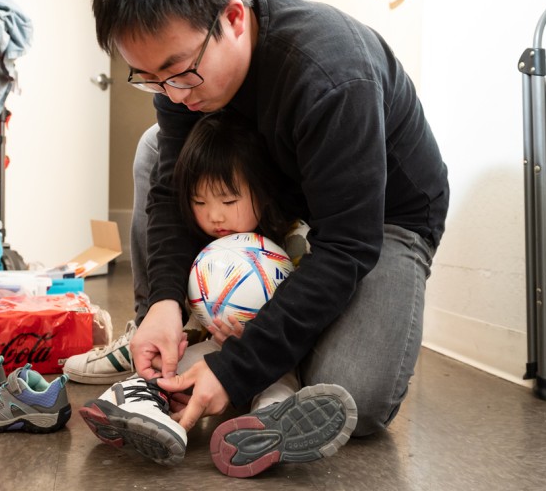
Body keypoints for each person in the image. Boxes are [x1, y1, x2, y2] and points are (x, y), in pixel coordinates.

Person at [79, 0, 449, 478]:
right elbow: (170, 190)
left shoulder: (331, 73)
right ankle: (163, 342)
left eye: (179, 71)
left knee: (351, 397)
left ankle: (244, 358)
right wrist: (164, 298)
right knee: (154, 150)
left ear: (233, 18)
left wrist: (238, 367)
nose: (172, 94)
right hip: (275, 184)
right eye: (147, 77)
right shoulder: (180, 81)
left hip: (382, 217)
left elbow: (346, 245)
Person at [80, 110, 357, 476]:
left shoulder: (295, 242)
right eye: (199, 202)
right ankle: (137, 405)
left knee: (279, 379)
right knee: (174, 365)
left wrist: (258, 337)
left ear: (262, 190)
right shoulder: (199, 245)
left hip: (272, 350)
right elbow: (187, 317)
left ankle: (268, 425)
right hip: (212, 349)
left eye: (228, 202)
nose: (214, 217)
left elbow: (313, 305)